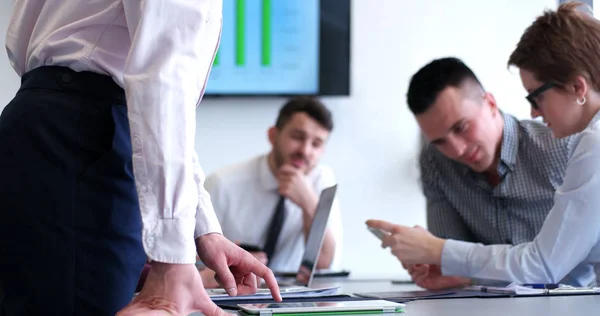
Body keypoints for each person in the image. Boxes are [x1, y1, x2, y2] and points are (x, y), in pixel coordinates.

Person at [0, 1, 280, 315]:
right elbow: (161, 83)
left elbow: (163, 107)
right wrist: (172, 260)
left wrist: (202, 229)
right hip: (86, 140)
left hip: (49, 129)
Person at [367, 1, 600, 287]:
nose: (457, 150)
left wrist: (437, 250)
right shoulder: (437, 164)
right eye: (439, 141)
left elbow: (543, 264)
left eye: (536, 97)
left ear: (578, 87)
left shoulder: (587, 144)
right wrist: (453, 271)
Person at [199, 97, 343, 286]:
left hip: (293, 298)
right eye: (297, 137)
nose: (305, 151)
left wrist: (309, 202)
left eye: (316, 144)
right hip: (232, 293)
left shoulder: (322, 180)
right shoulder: (222, 184)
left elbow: (324, 264)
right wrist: (232, 264)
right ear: (273, 135)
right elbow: (188, 262)